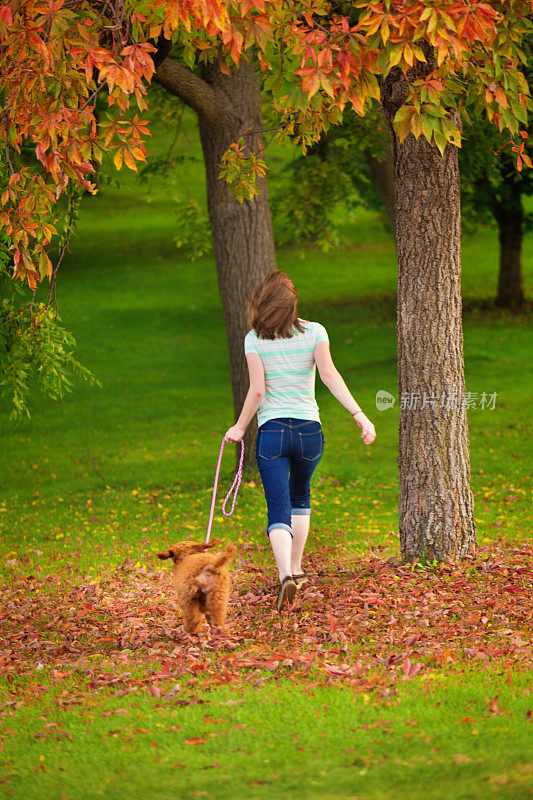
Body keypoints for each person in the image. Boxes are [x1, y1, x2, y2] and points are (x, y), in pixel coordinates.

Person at [224, 270, 376, 611]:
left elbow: (258, 390)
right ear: (292, 303)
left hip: (273, 433)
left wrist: (239, 426)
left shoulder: (253, 339)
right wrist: (359, 414)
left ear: (261, 304)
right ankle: (297, 568)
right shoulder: (315, 332)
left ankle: (284, 577)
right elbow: (329, 374)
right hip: (310, 432)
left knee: (277, 507)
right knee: (300, 496)